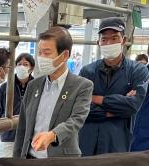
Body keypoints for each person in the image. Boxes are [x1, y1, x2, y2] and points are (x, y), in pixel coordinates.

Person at [13, 26, 93, 159]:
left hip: (61, 162)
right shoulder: (33, 85)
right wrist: (16, 160)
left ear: (65, 55)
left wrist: (53, 135)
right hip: (30, 159)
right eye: (40, 52)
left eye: (47, 53)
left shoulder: (82, 86)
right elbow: (22, 126)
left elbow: (77, 119)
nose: (41, 57)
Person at [78, 17, 149, 155]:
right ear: (98, 43)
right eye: (104, 39)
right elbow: (81, 108)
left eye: (114, 38)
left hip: (117, 140)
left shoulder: (137, 71)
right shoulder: (87, 71)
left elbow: (132, 106)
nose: (109, 43)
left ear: (123, 40)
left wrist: (96, 98)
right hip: (87, 140)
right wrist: (113, 112)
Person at [0, 53, 35, 157]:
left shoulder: (37, 86)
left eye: (25, 64)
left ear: (31, 68)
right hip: (8, 135)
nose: (22, 67)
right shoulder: (5, 87)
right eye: (19, 64)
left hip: (30, 136)